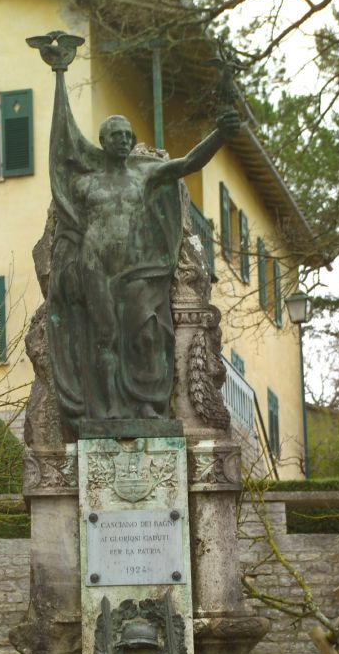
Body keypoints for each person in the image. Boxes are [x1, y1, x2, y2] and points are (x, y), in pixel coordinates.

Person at [44, 68, 240, 429]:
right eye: (114, 135)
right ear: (103, 141)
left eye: (126, 135)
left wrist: (219, 136)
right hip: (95, 267)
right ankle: (105, 411)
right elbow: (62, 162)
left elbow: (188, 163)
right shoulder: (86, 182)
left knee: (147, 335)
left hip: (138, 271)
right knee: (104, 337)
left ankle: (148, 406)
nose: (121, 140)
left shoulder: (145, 173)